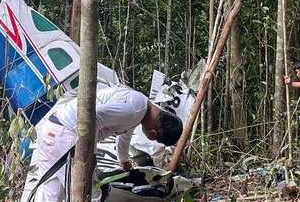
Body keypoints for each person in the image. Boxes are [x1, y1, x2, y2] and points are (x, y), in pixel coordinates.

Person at [21, 85, 183, 202]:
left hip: (55, 128)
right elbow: (93, 116)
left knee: (51, 193)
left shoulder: (140, 105)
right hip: (67, 136)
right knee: (88, 193)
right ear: (154, 135)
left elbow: (124, 135)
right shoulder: (133, 110)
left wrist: (124, 161)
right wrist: (90, 155)